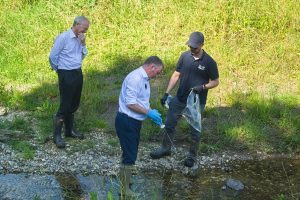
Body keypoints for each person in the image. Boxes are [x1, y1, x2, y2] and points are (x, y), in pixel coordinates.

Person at [150, 32, 219, 167]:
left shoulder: (209, 62)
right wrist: (166, 93)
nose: (192, 49)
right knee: (169, 123)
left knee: (195, 129)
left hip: (196, 102)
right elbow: (176, 75)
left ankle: (192, 156)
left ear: (201, 45)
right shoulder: (184, 56)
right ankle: (165, 148)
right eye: (190, 46)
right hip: (180, 98)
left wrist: (204, 87)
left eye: (195, 47)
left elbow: (216, 82)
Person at [115, 56, 164, 197]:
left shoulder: (144, 79)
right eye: (158, 72)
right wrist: (149, 113)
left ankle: (125, 179)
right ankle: (125, 190)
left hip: (134, 122)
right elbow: (130, 103)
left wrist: (151, 112)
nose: (158, 75)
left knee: (129, 153)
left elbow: (140, 100)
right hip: (127, 121)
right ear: (152, 67)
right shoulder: (135, 78)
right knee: (130, 156)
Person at [49, 16, 90, 148]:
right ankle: (56, 136)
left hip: (77, 72)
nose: (85, 31)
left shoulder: (80, 38)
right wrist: (60, 71)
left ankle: (69, 131)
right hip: (65, 73)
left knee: (74, 103)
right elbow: (53, 56)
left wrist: (83, 43)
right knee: (65, 105)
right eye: (84, 28)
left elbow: (83, 55)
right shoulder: (63, 37)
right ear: (77, 24)